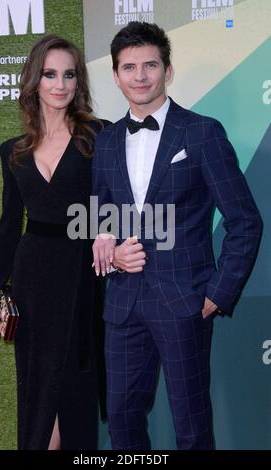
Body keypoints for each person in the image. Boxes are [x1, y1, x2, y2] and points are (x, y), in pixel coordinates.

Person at [92, 22, 263, 450]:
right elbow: (99, 218)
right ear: (116, 75)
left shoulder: (201, 133)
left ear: (167, 70)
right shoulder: (107, 140)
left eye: (150, 64)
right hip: (123, 301)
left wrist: (219, 292)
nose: (140, 75)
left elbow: (245, 220)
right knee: (122, 419)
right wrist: (110, 251)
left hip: (184, 298)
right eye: (129, 67)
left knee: (191, 422)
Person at [0, 35, 109, 450]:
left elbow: (118, 204)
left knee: (74, 385)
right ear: (34, 81)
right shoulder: (13, 151)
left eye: (69, 74)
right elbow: (8, 225)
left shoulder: (99, 137)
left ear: (79, 81)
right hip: (33, 279)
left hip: (83, 275)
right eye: (50, 74)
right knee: (39, 393)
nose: (60, 84)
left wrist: (107, 233)